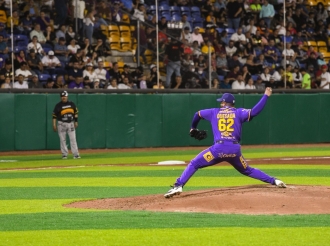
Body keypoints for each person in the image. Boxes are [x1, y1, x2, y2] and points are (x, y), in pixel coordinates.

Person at [164, 88, 287, 198]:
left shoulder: (214, 112)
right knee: (247, 170)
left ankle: (178, 185)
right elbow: (254, 111)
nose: (220, 103)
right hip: (234, 151)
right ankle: (274, 181)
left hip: (218, 150)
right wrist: (266, 96)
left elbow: (198, 114)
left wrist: (193, 128)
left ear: (224, 103)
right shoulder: (239, 112)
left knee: (194, 163)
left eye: (221, 101)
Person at [52, 91, 80, 159]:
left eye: (64, 96)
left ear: (67, 96)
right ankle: (64, 154)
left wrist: (76, 121)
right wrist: (54, 125)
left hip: (70, 123)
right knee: (62, 140)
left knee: (73, 139)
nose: (63, 97)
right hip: (61, 123)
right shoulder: (58, 105)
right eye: (62, 96)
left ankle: (76, 154)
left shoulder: (72, 104)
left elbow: (76, 113)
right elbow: (54, 116)